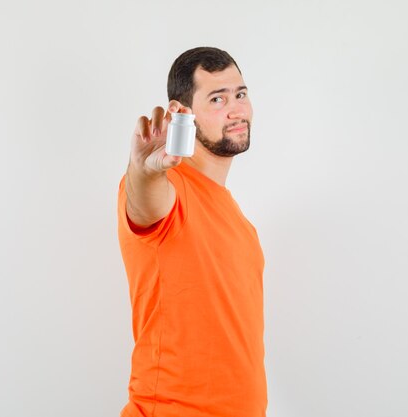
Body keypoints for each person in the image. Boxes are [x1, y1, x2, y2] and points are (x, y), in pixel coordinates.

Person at [117, 47, 267, 417]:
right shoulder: (169, 188)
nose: (236, 110)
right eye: (217, 99)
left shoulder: (240, 224)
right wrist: (145, 171)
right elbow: (146, 203)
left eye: (240, 94)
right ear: (182, 111)